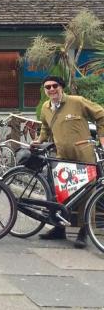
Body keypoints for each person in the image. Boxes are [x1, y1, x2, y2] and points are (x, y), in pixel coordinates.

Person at [34, 75, 104, 248]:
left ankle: (84, 231)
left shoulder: (77, 101)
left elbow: (101, 114)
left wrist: (102, 137)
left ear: (61, 87)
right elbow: (45, 125)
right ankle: (59, 228)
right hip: (62, 155)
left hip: (83, 155)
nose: (51, 90)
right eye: (47, 87)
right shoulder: (46, 107)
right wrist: (40, 139)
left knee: (87, 193)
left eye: (54, 86)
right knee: (62, 193)